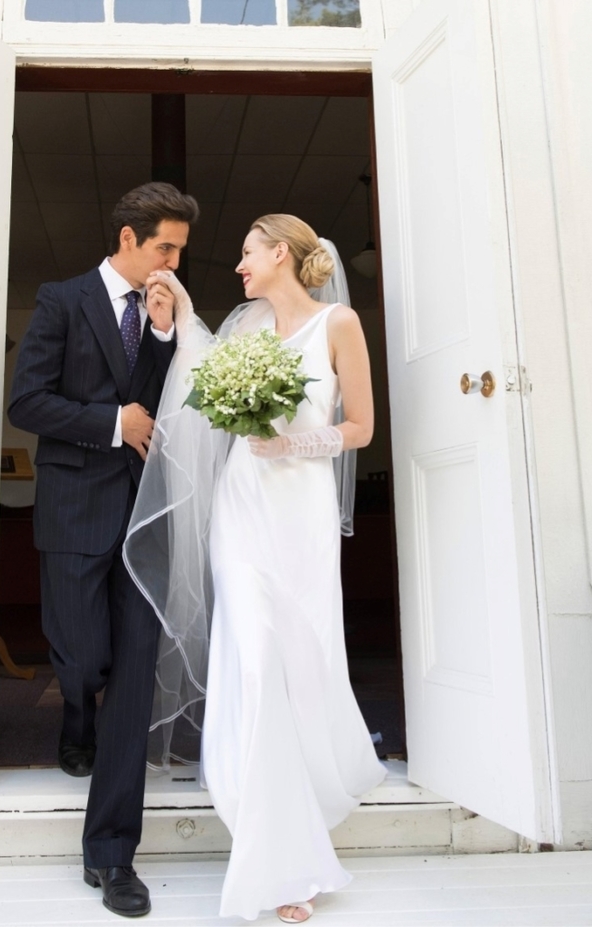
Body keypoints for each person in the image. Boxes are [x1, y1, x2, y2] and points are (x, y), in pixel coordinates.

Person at [125, 215, 387, 923]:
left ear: (280, 253)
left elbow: (360, 425)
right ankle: (274, 857)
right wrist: (174, 312)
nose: (238, 266)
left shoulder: (339, 324)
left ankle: (299, 822)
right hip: (239, 513)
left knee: (298, 666)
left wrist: (298, 441)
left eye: (247, 253)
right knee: (254, 660)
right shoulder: (242, 333)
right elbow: (201, 369)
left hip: (299, 515)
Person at [7, 182, 199, 918]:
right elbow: (28, 402)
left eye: (178, 249)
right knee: (81, 656)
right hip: (74, 512)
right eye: (165, 248)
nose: (174, 261)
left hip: (144, 522)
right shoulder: (60, 301)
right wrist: (109, 422)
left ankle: (113, 855)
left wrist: (158, 337)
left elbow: (158, 404)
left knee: (133, 683)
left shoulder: (161, 312)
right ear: (128, 239)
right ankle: (73, 714)